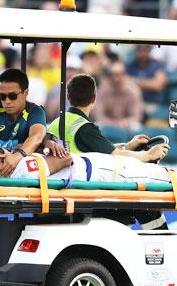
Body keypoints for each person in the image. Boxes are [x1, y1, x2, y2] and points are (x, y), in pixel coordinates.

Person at [48, 73, 170, 230]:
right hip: (89, 189)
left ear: (69, 97)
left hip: (68, 185)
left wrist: (129, 145)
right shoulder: (84, 128)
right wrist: (147, 155)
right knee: (147, 205)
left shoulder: (57, 122)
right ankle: (160, 240)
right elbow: (115, 156)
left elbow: (103, 149)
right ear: (94, 98)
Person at [0, 144, 177, 188]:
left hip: (95, 167)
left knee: (157, 173)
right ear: (0, 165)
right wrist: (40, 149)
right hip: (99, 172)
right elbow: (64, 158)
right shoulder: (24, 169)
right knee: (159, 177)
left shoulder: (19, 168)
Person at [94, 60, 144, 129]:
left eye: (118, 75)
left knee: (136, 127)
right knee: (97, 125)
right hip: (108, 122)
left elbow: (136, 116)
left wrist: (123, 122)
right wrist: (112, 122)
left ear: (124, 75)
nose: (115, 79)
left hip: (126, 123)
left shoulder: (133, 90)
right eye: (112, 75)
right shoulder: (103, 90)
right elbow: (98, 115)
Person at [126, 45, 167, 118]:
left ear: (149, 51)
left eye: (146, 50)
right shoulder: (130, 66)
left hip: (152, 104)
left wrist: (135, 81)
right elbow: (124, 84)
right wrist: (149, 83)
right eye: (140, 50)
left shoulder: (157, 65)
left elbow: (157, 85)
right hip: (133, 104)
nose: (143, 53)